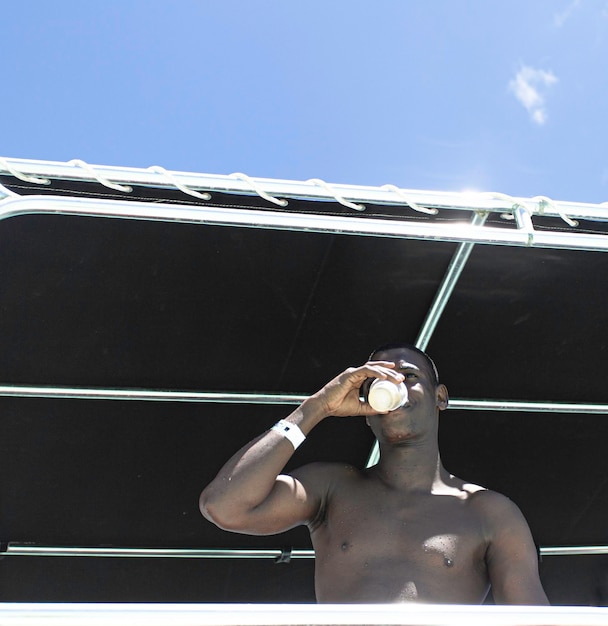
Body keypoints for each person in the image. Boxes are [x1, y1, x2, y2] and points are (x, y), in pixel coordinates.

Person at [199, 343, 549, 604]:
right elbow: (224, 506)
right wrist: (317, 406)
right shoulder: (332, 489)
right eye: (377, 382)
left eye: (408, 377)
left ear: (439, 397)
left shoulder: (488, 511)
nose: (394, 387)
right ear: (366, 409)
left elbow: (531, 620)